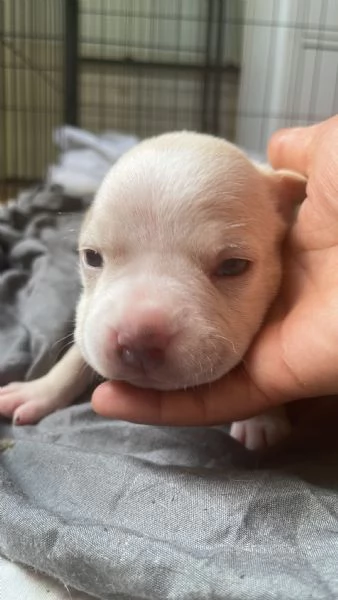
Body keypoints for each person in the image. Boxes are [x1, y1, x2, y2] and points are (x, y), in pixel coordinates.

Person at [91, 116, 338, 426]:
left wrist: (265, 406)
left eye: (230, 266)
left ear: (286, 205)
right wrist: (51, 388)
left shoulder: (288, 222)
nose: (137, 333)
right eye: (94, 258)